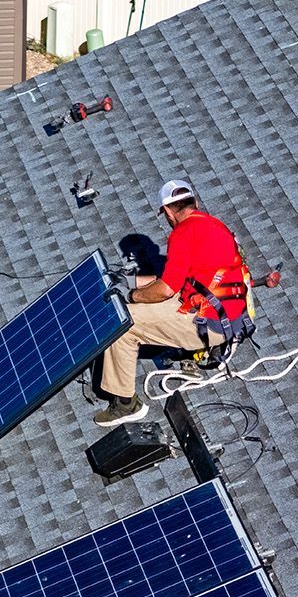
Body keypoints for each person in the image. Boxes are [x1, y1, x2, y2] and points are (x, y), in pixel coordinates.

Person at [94, 180, 250, 426]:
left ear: (167, 212)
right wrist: (130, 281)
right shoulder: (212, 225)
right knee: (139, 306)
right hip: (229, 315)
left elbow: (166, 290)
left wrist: (131, 296)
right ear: (194, 202)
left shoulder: (182, 234)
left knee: (122, 323)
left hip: (207, 324)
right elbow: (174, 280)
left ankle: (125, 404)